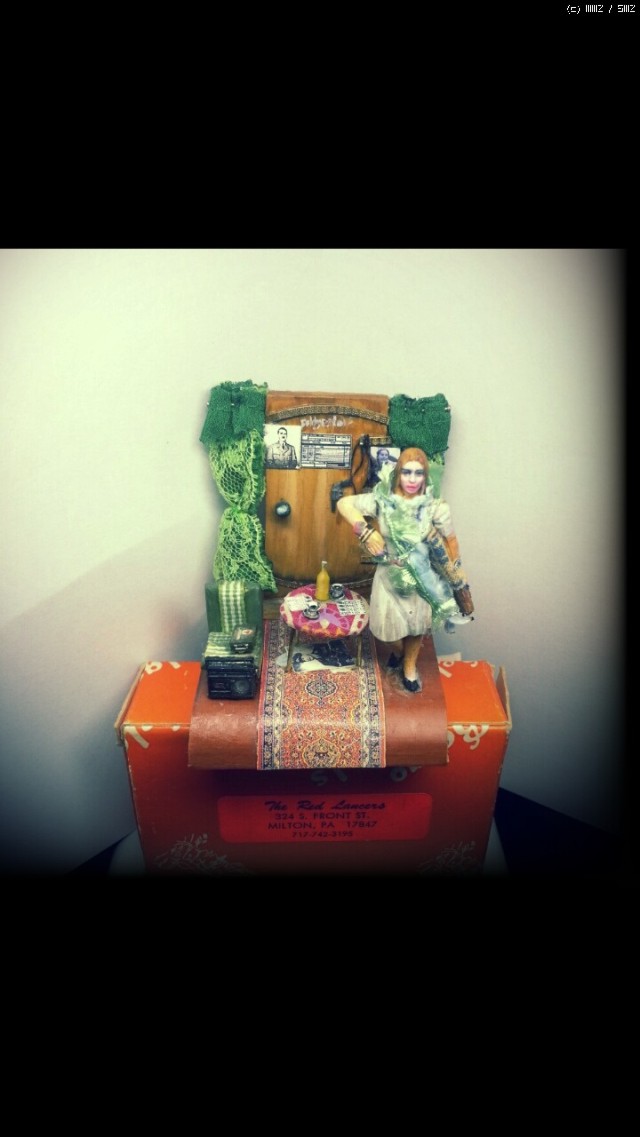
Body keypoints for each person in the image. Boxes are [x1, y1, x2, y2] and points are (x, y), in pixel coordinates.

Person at [337, 447, 474, 692]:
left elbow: (451, 540)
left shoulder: (435, 507)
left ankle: (409, 668)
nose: (412, 479)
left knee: (416, 627)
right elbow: (344, 503)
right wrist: (365, 531)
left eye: (418, 473)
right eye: (406, 472)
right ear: (398, 473)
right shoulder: (383, 500)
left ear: (425, 476)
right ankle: (399, 653)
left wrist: (456, 569)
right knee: (384, 630)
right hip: (389, 575)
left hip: (421, 578)